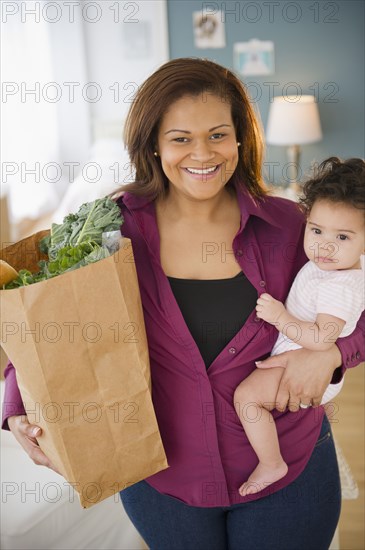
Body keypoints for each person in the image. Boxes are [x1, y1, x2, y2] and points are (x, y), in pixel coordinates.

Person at [2, 58, 365, 550]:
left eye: (218, 135)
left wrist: (332, 354)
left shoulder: (290, 225)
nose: (202, 154)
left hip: (290, 472)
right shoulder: (112, 231)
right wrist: (16, 405)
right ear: (153, 143)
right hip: (161, 478)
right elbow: (49, 318)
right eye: (180, 138)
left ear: (240, 138)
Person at [234, 157, 365, 497]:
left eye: (343, 237)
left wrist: (280, 318)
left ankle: (271, 462)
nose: (324, 245)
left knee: (247, 398)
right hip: (297, 351)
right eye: (317, 230)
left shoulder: (340, 284)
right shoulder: (329, 266)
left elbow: (323, 338)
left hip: (306, 361)